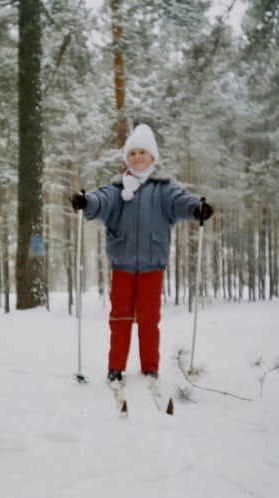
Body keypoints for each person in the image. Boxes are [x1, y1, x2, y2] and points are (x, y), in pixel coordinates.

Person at [70, 123, 213, 387]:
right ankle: (115, 367)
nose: (137, 157)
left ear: (153, 157)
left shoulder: (163, 188)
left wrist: (197, 208)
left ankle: (150, 368)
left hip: (153, 264)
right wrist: (87, 202)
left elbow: (181, 201)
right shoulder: (116, 188)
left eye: (142, 152)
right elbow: (100, 200)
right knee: (120, 318)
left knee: (149, 319)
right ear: (127, 158)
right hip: (122, 263)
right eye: (132, 153)